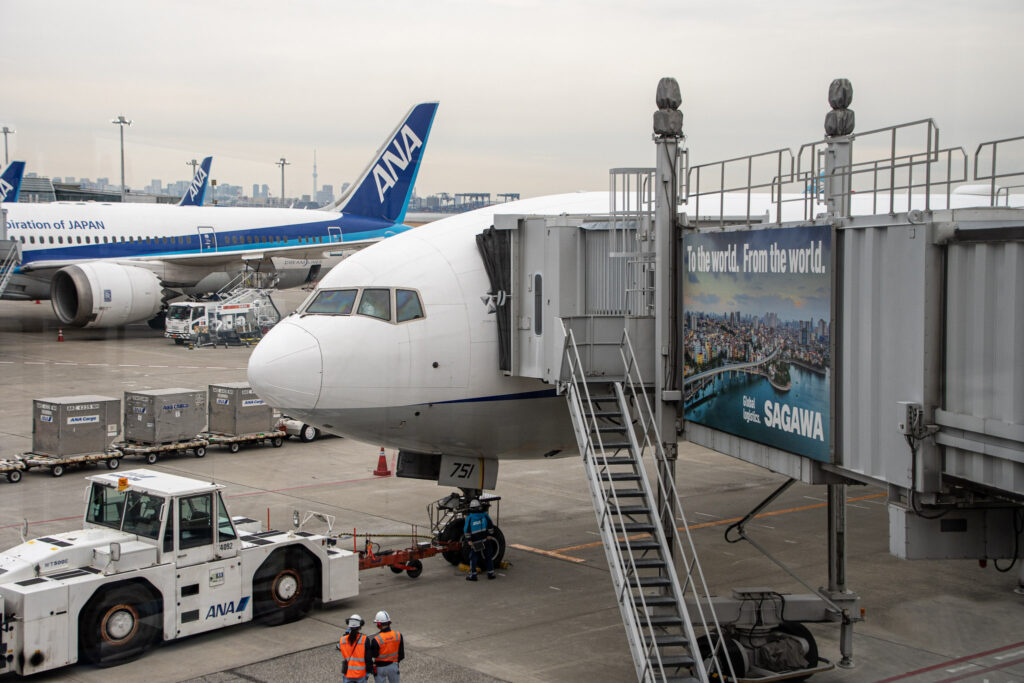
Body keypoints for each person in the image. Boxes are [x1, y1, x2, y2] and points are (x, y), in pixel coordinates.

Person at [463, 499, 496, 581]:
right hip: (485, 539)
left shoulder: (470, 518)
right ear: (479, 507)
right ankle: (490, 574)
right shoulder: (485, 515)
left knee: (473, 558)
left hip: (476, 541)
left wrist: (469, 540)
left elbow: (466, 530)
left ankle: (473, 575)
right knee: (488, 556)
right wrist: (490, 534)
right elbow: (490, 525)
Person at [367, 610, 404, 682]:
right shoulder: (398, 635)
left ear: (379, 624)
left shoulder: (376, 639)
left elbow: (374, 655)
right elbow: (401, 655)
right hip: (393, 665)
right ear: (389, 622)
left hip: (380, 668)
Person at [339, 614, 369, 682]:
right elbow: (368, 659)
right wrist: (367, 673)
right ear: (360, 626)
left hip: (348, 674)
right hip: (361, 674)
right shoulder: (365, 639)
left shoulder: (342, 640)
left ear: (349, 625)